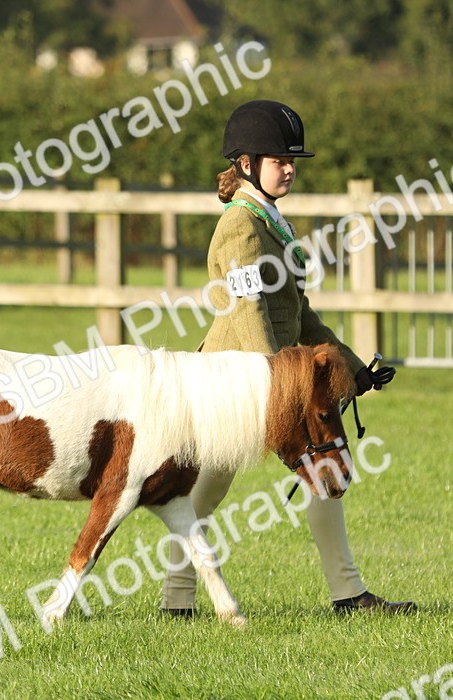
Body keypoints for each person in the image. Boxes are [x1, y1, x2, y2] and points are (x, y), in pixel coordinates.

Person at [160, 100, 416, 616]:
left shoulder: (271, 221)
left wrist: (352, 367)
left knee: (323, 474)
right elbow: (247, 308)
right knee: (206, 495)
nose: (290, 167)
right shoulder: (240, 228)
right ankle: (179, 599)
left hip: (272, 376)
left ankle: (345, 593)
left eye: (291, 159)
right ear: (247, 164)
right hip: (238, 379)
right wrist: (275, 384)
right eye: (279, 159)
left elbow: (300, 315)